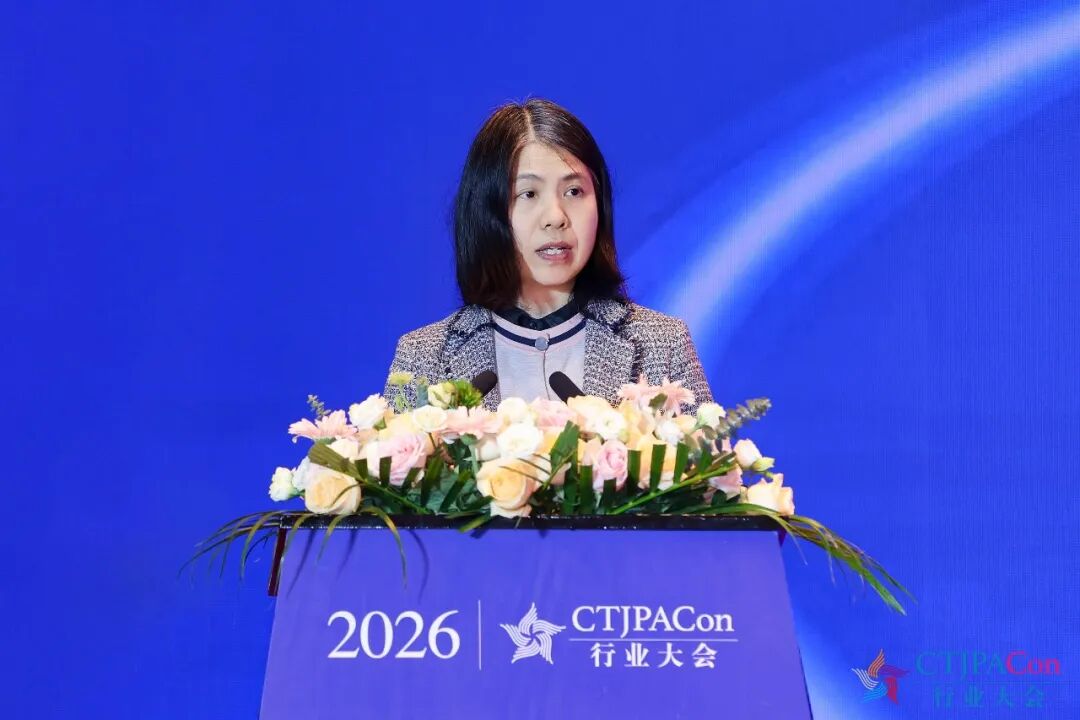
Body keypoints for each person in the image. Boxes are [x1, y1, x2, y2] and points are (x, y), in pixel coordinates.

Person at [384, 98, 713, 413]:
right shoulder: (423, 357)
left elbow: (708, 454)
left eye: (574, 191)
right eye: (528, 194)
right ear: (486, 210)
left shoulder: (662, 345)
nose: (556, 217)